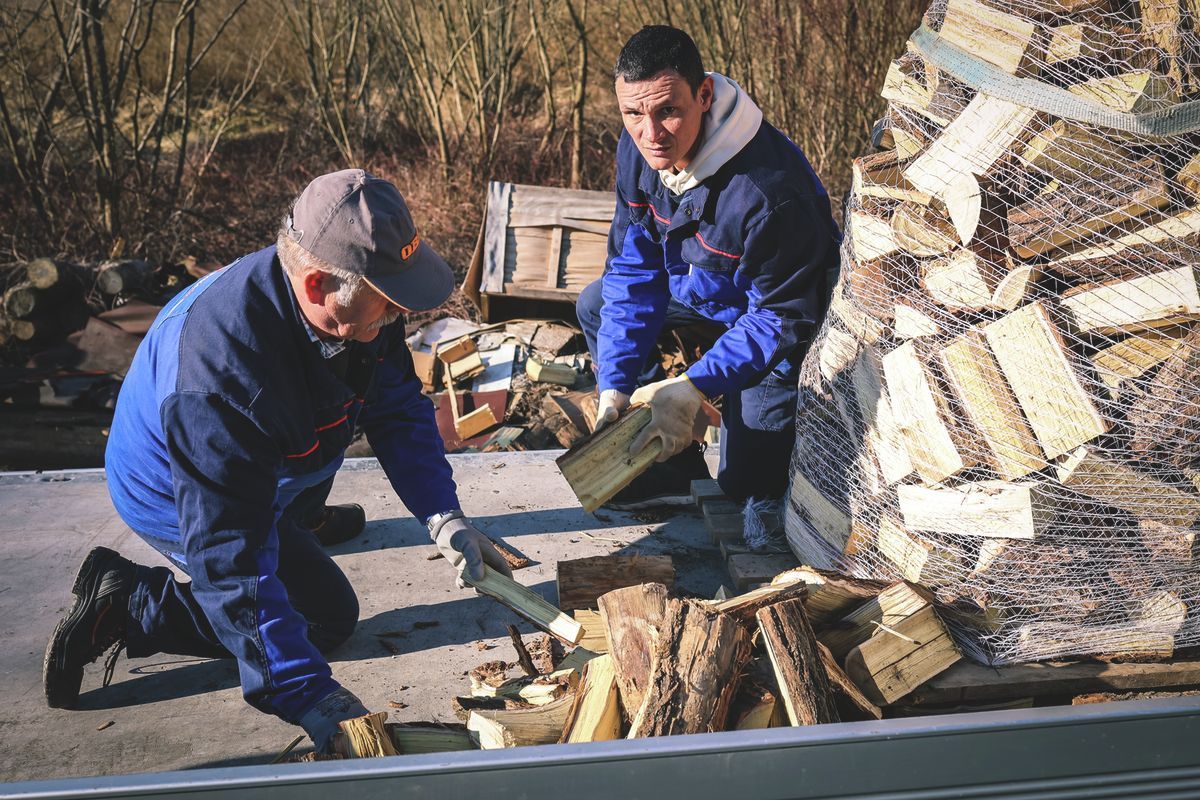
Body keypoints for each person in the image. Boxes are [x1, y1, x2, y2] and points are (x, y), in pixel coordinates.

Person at [42, 169, 512, 753]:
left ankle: (298, 517)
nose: (398, 316)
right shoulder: (219, 383)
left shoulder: (355, 293)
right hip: (175, 487)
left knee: (320, 425)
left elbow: (395, 407)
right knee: (324, 619)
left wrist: (444, 515)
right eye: (389, 304)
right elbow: (231, 558)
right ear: (317, 287)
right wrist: (306, 693)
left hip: (277, 454)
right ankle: (129, 604)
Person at [577, 25, 840, 510]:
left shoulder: (772, 194)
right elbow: (632, 271)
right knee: (596, 305)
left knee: (747, 489)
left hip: (774, 331)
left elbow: (781, 318)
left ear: (703, 94)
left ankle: (733, 438)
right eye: (632, 113)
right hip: (699, 292)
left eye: (667, 112)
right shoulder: (639, 152)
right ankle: (667, 469)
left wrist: (694, 385)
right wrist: (614, 385)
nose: (649, 134)